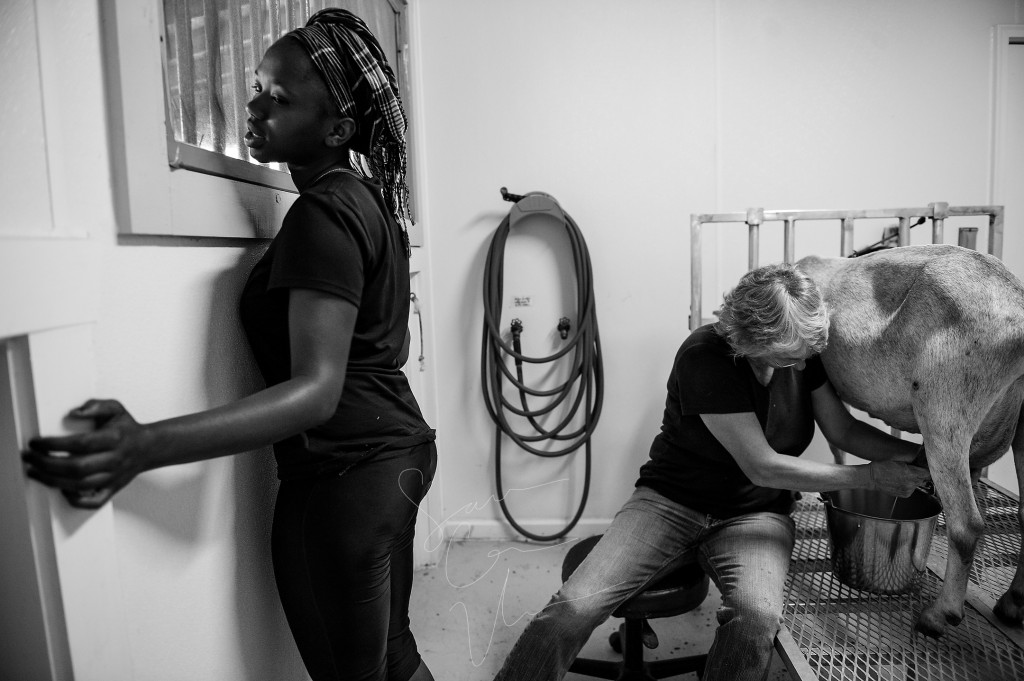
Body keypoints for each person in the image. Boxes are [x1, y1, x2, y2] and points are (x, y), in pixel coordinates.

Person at [22, 9, 436, 681]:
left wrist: (146, 444)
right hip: (399, 453)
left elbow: (316, 391)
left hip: (346, 476)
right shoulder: (369, 204)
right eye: (256, 86)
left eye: (279, 96)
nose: (253, 104)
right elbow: (380, 343)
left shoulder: (323, 213)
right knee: (393, 653)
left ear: (337, 128)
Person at [493, 263, 931, 681]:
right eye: (787, 358)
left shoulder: (799, 353)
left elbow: (845, 430)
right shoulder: (705, 355)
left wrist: (923, 455)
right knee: (573, 606)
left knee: (756, 618)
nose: (799, 367)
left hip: (755, 515)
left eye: (804, 357)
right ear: (748, 341)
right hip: (670, 504)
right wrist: (869, 477)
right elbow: (761, 466)